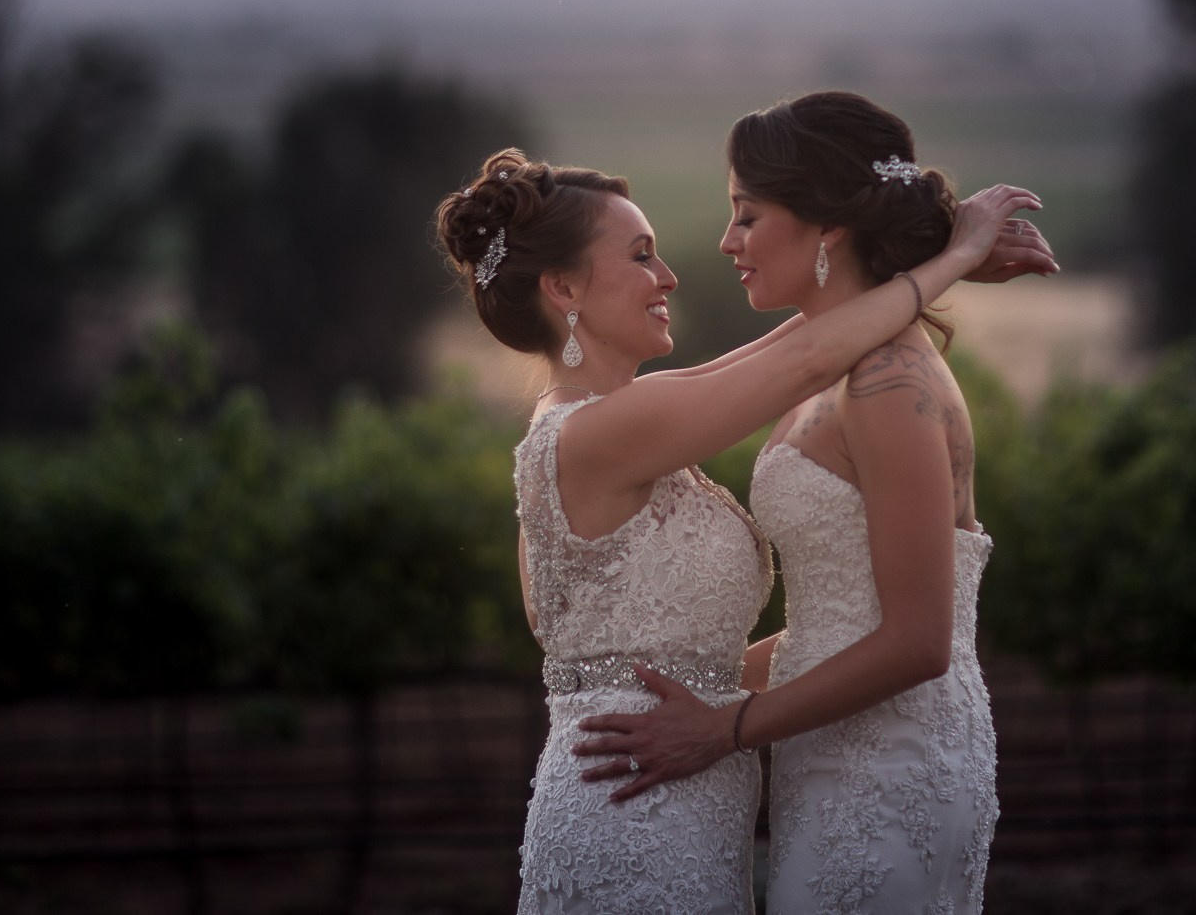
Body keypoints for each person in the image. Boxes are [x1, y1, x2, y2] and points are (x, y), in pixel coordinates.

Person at [434, 146, 1047, 915]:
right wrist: (952, 256)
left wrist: (897, 270)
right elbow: (807, 357)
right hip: (634, 821)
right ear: (563, 288)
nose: (670, 276)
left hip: (678, 813)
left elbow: (798, 342)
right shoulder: (601, 432)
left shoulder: (622, 420)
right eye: (641, 255)